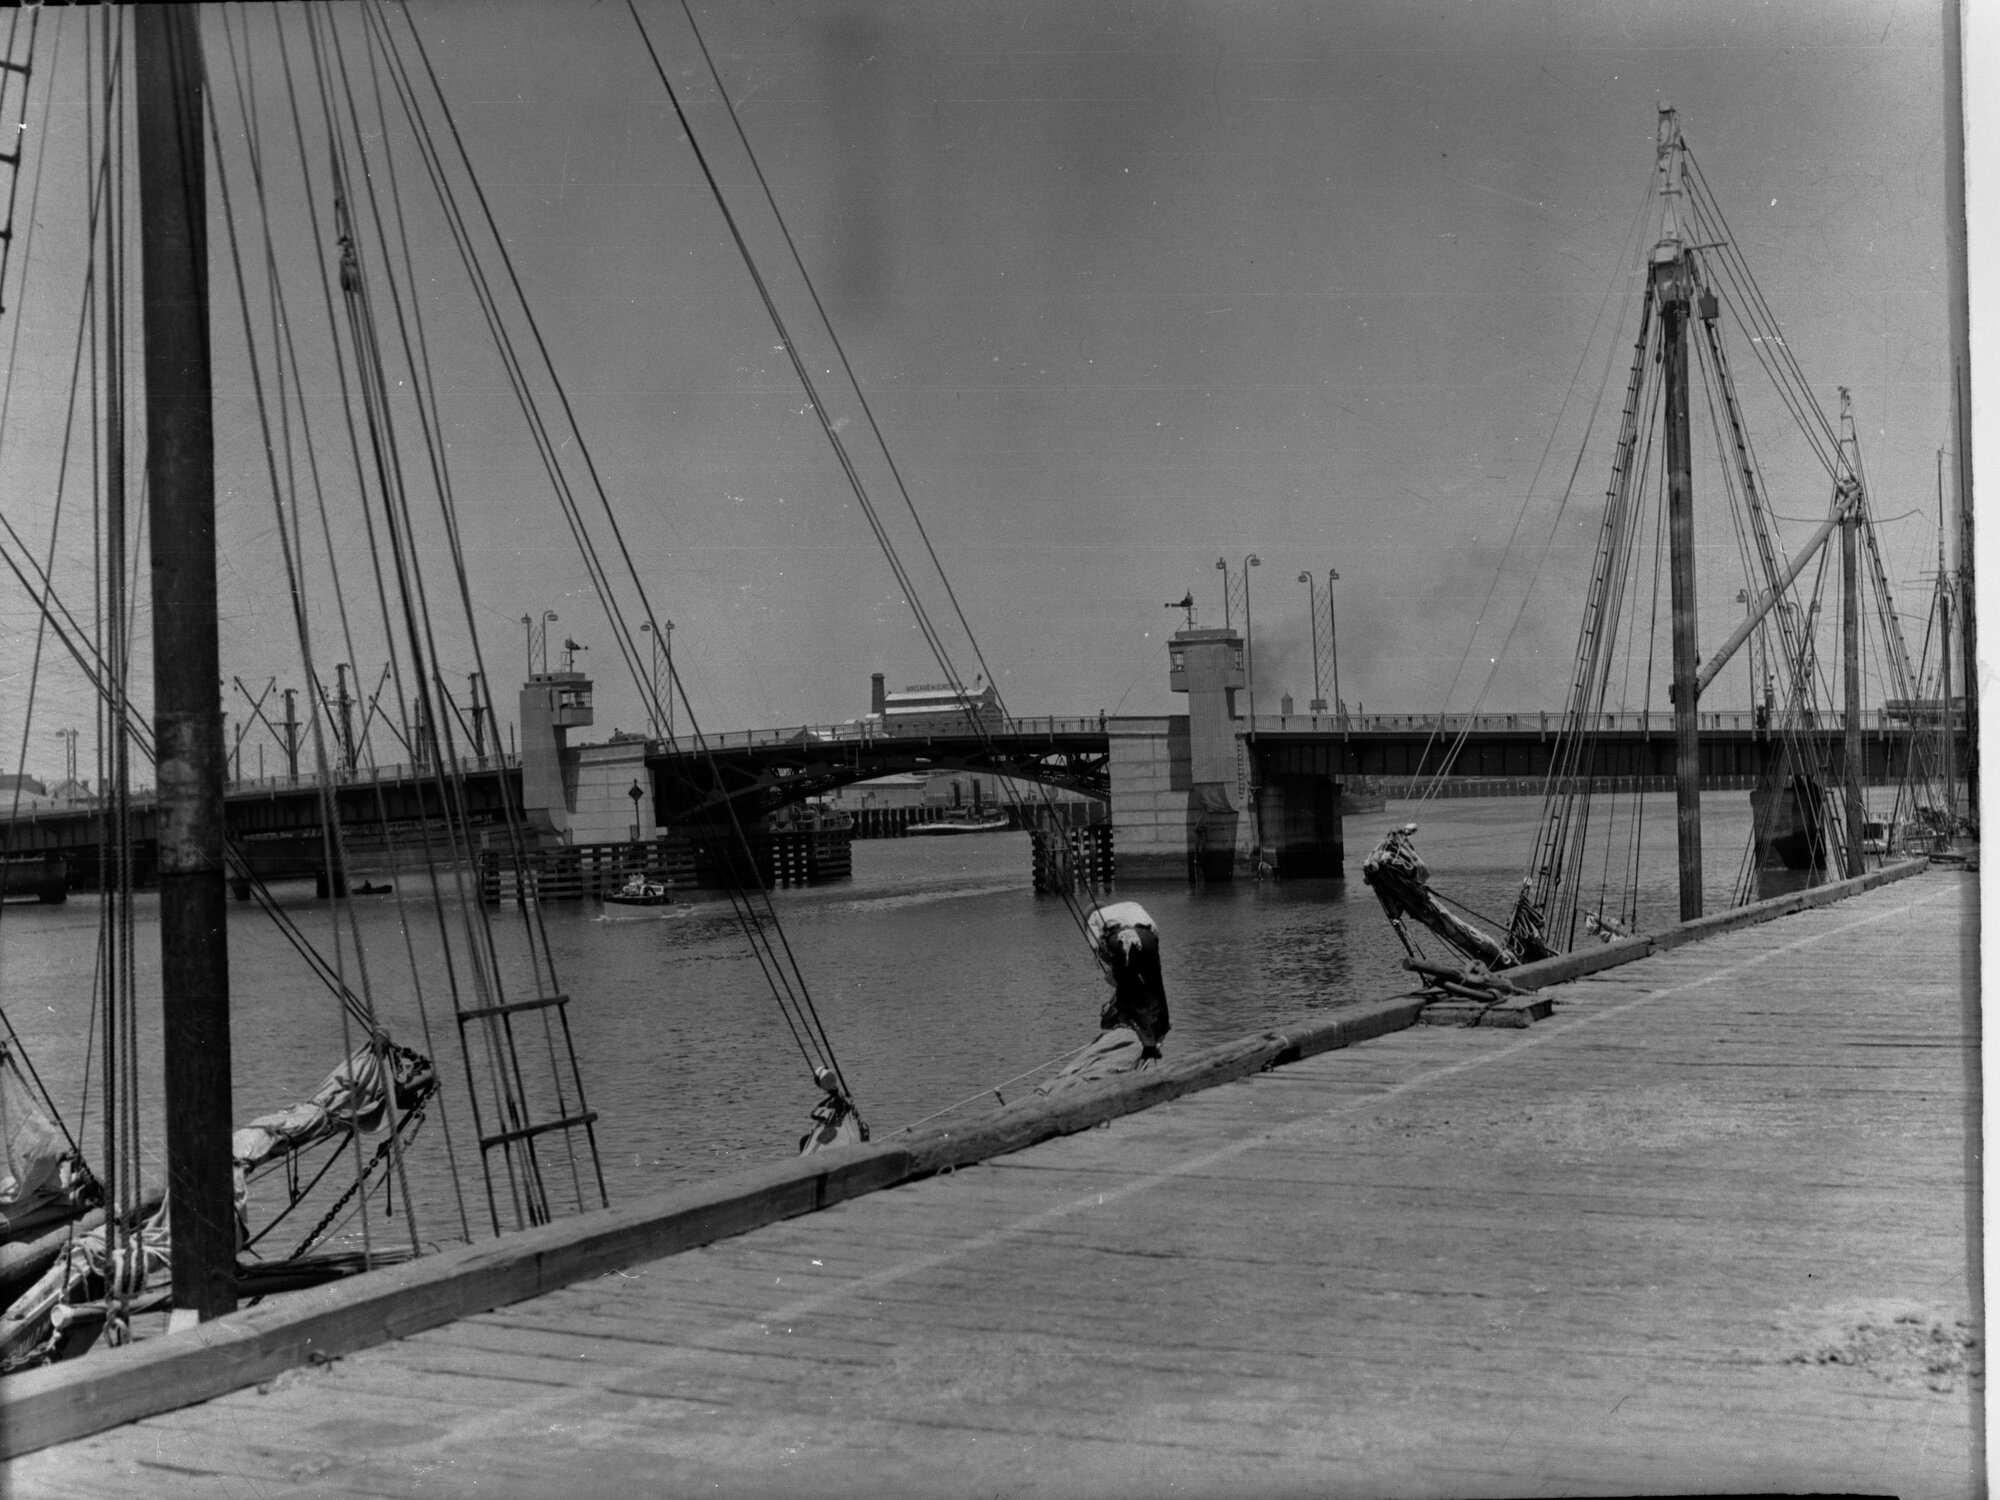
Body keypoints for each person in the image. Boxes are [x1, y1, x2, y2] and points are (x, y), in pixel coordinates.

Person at [1036, 902, 1169, 1095]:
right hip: (1148, 939)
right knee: (1155, 987)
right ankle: (1160, 1026)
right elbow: (1154, 937)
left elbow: (1101, 949)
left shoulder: (1093, 921)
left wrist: (1114, 971)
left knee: (1126, 991)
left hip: (1120, 941)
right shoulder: (1130, 906)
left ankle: (1137, 1029)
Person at [798, 1066, 867, 1154]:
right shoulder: (834, 1099)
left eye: (831, 1078)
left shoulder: (840, 1098)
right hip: (835, 1132)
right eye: (826, 1080)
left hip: (845, 1133)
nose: (830, 1081)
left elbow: (818, 1114)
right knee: (805, 1141)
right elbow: (817, 1114)